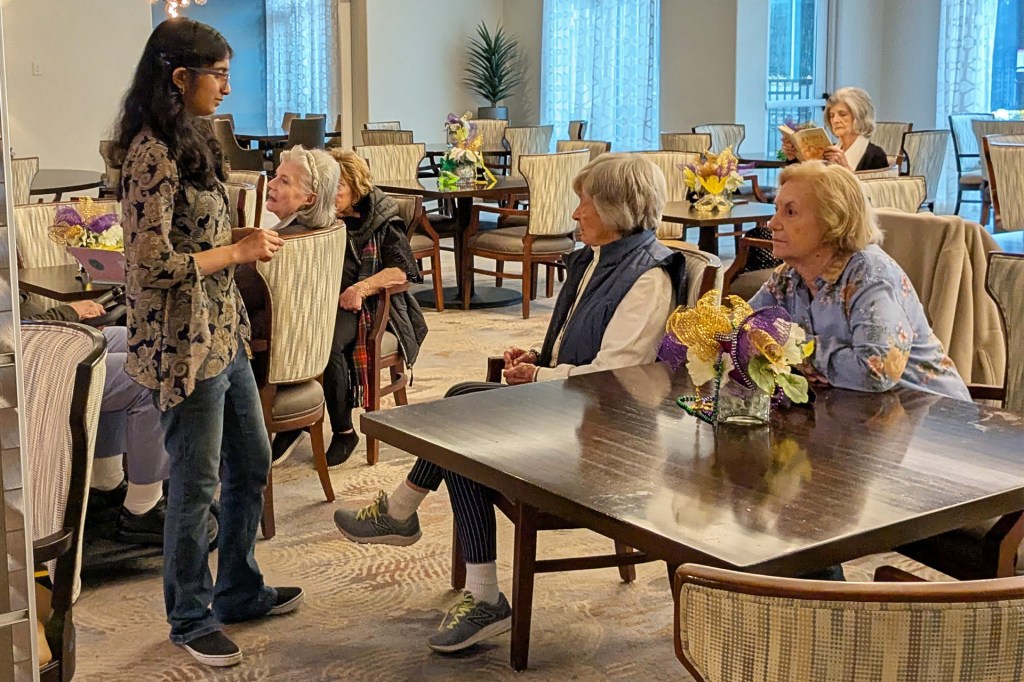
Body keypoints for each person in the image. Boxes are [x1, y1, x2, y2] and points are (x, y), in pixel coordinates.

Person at [333, 153, 688, 652]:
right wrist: (539, 357)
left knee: (460, 414)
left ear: (614, 210)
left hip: (608, 435)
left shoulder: (649, 277)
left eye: (583, 204)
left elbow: (617, 380)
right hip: (570, 410)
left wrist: (540, 374)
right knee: (463, 416)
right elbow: (578, 345)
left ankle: (416, 525)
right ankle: (442, 554)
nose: (574, 214)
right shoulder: (596, 258)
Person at [113, 17, 301, 668]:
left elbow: (204, 242)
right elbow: (149, 264)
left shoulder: (193, 139)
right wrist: (237, 250)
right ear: (179, 77)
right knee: (193, 488)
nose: (226, 87)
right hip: (181, 347)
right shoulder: (149, 153)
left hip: (223, 334)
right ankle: (190, 619)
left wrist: (241, 244)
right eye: (218, 74)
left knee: (250, 464)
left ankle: (239, 589)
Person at [750, 160, 970, 401]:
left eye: (790, 212)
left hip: (934, 416)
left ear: (832, 221)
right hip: (859, 414)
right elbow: (742, 328)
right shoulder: (788, 277)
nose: (772, 224)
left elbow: (876, 371)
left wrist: (793, 350)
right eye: (776, 210)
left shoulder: (869, 274)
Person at [269, 149, 426, 469]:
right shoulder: (320, 216)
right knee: (283, 333)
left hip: (365, 304)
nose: (331, 192)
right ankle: (296, 418)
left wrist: (360, 288)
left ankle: (344, 431)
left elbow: (403, 271)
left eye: (338, 186)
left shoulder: (379, 217)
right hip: (321, 298)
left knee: (329, 346)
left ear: (356, 187)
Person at [19, 296, 184, 545]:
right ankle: (143, 508)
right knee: (154, 376)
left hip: (37, 341)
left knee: (140, 342)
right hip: (25, 363)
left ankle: (104, 484)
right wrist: (68, 314)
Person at [235, 145, 339, 368]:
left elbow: (237, 295)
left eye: (284, 181)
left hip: (269, 355)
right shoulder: (327, 229)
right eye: (275, 176)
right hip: (305, 348)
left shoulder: (279, 245)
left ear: (309, 199)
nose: (271, 184)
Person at [781, 86, 890, 172]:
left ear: (859, 116)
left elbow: (874, 194)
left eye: (842, 114)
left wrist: (845, 168)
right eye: (832, 115)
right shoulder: (829, 150)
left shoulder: (875, 156)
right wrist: (792, 158)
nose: (835, 120)